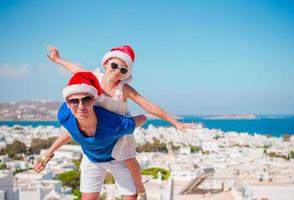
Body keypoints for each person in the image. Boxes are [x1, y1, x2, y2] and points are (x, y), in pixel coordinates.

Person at [47, 44, 197, 198]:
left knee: (130, 160)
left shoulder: (124, 89)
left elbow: (148, 105)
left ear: (126, 74)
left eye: (123, 69)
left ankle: (140, 188)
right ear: (106, 64)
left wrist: (175, 122)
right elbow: (75, 69)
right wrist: (58, 60)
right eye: (114, 65)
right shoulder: (93, 78)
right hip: (102, 128)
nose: (117, 70)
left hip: (120, 129)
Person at [34, 72, 147, 200]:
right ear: (67, 104)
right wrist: (46, 156)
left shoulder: (112, 123)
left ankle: (141, 189)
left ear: (94, 100)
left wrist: (125, 122)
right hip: (91, 159)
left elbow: (143, 118)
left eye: (86, 100)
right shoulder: (65, 115)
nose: (81, 106)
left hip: (116, 158)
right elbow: (71, 132)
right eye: (74, 101)